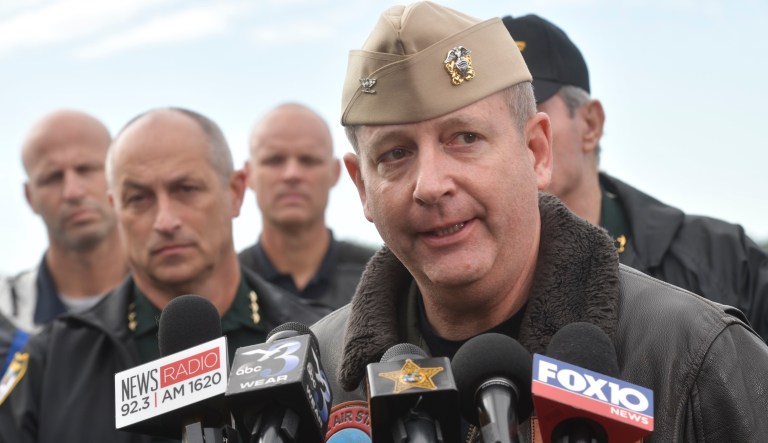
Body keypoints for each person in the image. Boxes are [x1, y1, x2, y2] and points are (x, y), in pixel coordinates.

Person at [310, 2, 768, 442]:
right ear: (362, 186)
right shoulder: (320, 381)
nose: (430, 185)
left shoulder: (692, 357)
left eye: (464, 138)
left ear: (536, 152)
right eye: (395, 153)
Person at [0, 108, 328, 443]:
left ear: (236, 191)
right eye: (138, 198)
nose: (165, 221)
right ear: (115, 207)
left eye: (186, 189)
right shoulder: (50, 365)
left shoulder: (321, 341)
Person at [501, 14, 768, 339]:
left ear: (590, 125)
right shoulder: (464, 278)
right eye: (497, 120)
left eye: (530, 109)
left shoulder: (725, 262)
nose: (516, 135)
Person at [0, 110, 129, 373]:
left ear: (119, 175)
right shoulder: (5, 316)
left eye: (86, 169)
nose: (72, 192)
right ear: (29, 196)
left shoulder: (173, 295)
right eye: (52, 177)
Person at [239, 103, 376, 314]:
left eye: (308, 160)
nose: (292, 174)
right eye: (274, 160)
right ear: (248, 175)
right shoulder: (226, 288)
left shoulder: (383, 278)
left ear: (336, 172)